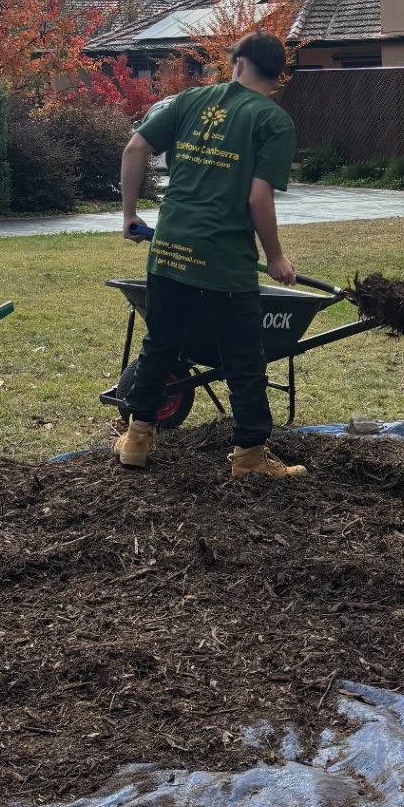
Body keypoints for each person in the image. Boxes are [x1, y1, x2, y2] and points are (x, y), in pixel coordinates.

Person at [113, 29, 306, 480]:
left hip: (170, 250)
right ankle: (250, 459)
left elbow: (135, 148)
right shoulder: (274, 121)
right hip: (224, 261)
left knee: (160, 345)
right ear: (277, 77)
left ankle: (137, 439)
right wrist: (275, 257)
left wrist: (128, 215)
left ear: (237, 64)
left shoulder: (188, 102)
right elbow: (258, 199)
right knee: (243, 358)